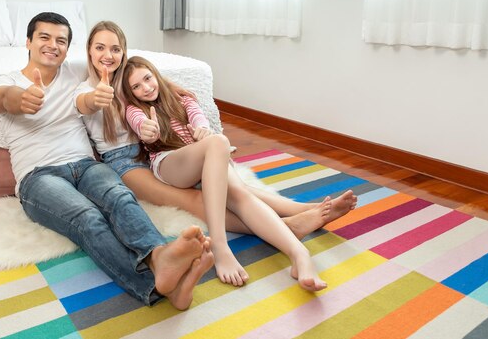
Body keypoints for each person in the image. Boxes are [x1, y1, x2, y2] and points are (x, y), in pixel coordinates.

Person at [0, 12, 213, 310]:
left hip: (86, 165)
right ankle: (155, 288)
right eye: (44, 38)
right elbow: (1, 99)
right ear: (28, 42)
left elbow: (120, 65)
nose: (53, 46)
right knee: (88, 218)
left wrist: (166, 84)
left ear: (69, 48)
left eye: (61, 41)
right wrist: (22, 98)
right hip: (38, 176)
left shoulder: (74, 70)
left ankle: (160, 257)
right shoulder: (4, 81)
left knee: (121, 198)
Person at [75, 21, 358, 243]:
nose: (108, 55)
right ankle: (286, 227)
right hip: (125, 163)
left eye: (115, 48)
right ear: (89, 50)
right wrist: (98, 97)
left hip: (155, 151)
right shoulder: (85, 91)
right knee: (196, 200)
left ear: (124, 52)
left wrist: (172, 89)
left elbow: (163, 86)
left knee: (234, 189)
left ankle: (304, 208)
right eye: (100, 48)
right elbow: (86, 104)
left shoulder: (130, 81)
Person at [121, 56, 332, 291]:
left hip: (203, 155)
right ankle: (221, 247)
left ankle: (299, 254)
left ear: (155, 74)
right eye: (136, 87)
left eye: (147, 79)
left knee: (239, 193)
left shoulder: (181, 98)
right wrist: (148, 131)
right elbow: (140, 124)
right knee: (218, 142)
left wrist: (202, 129)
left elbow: (198, 118)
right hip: (170, 163)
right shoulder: (134, 109)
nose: (146, 88)